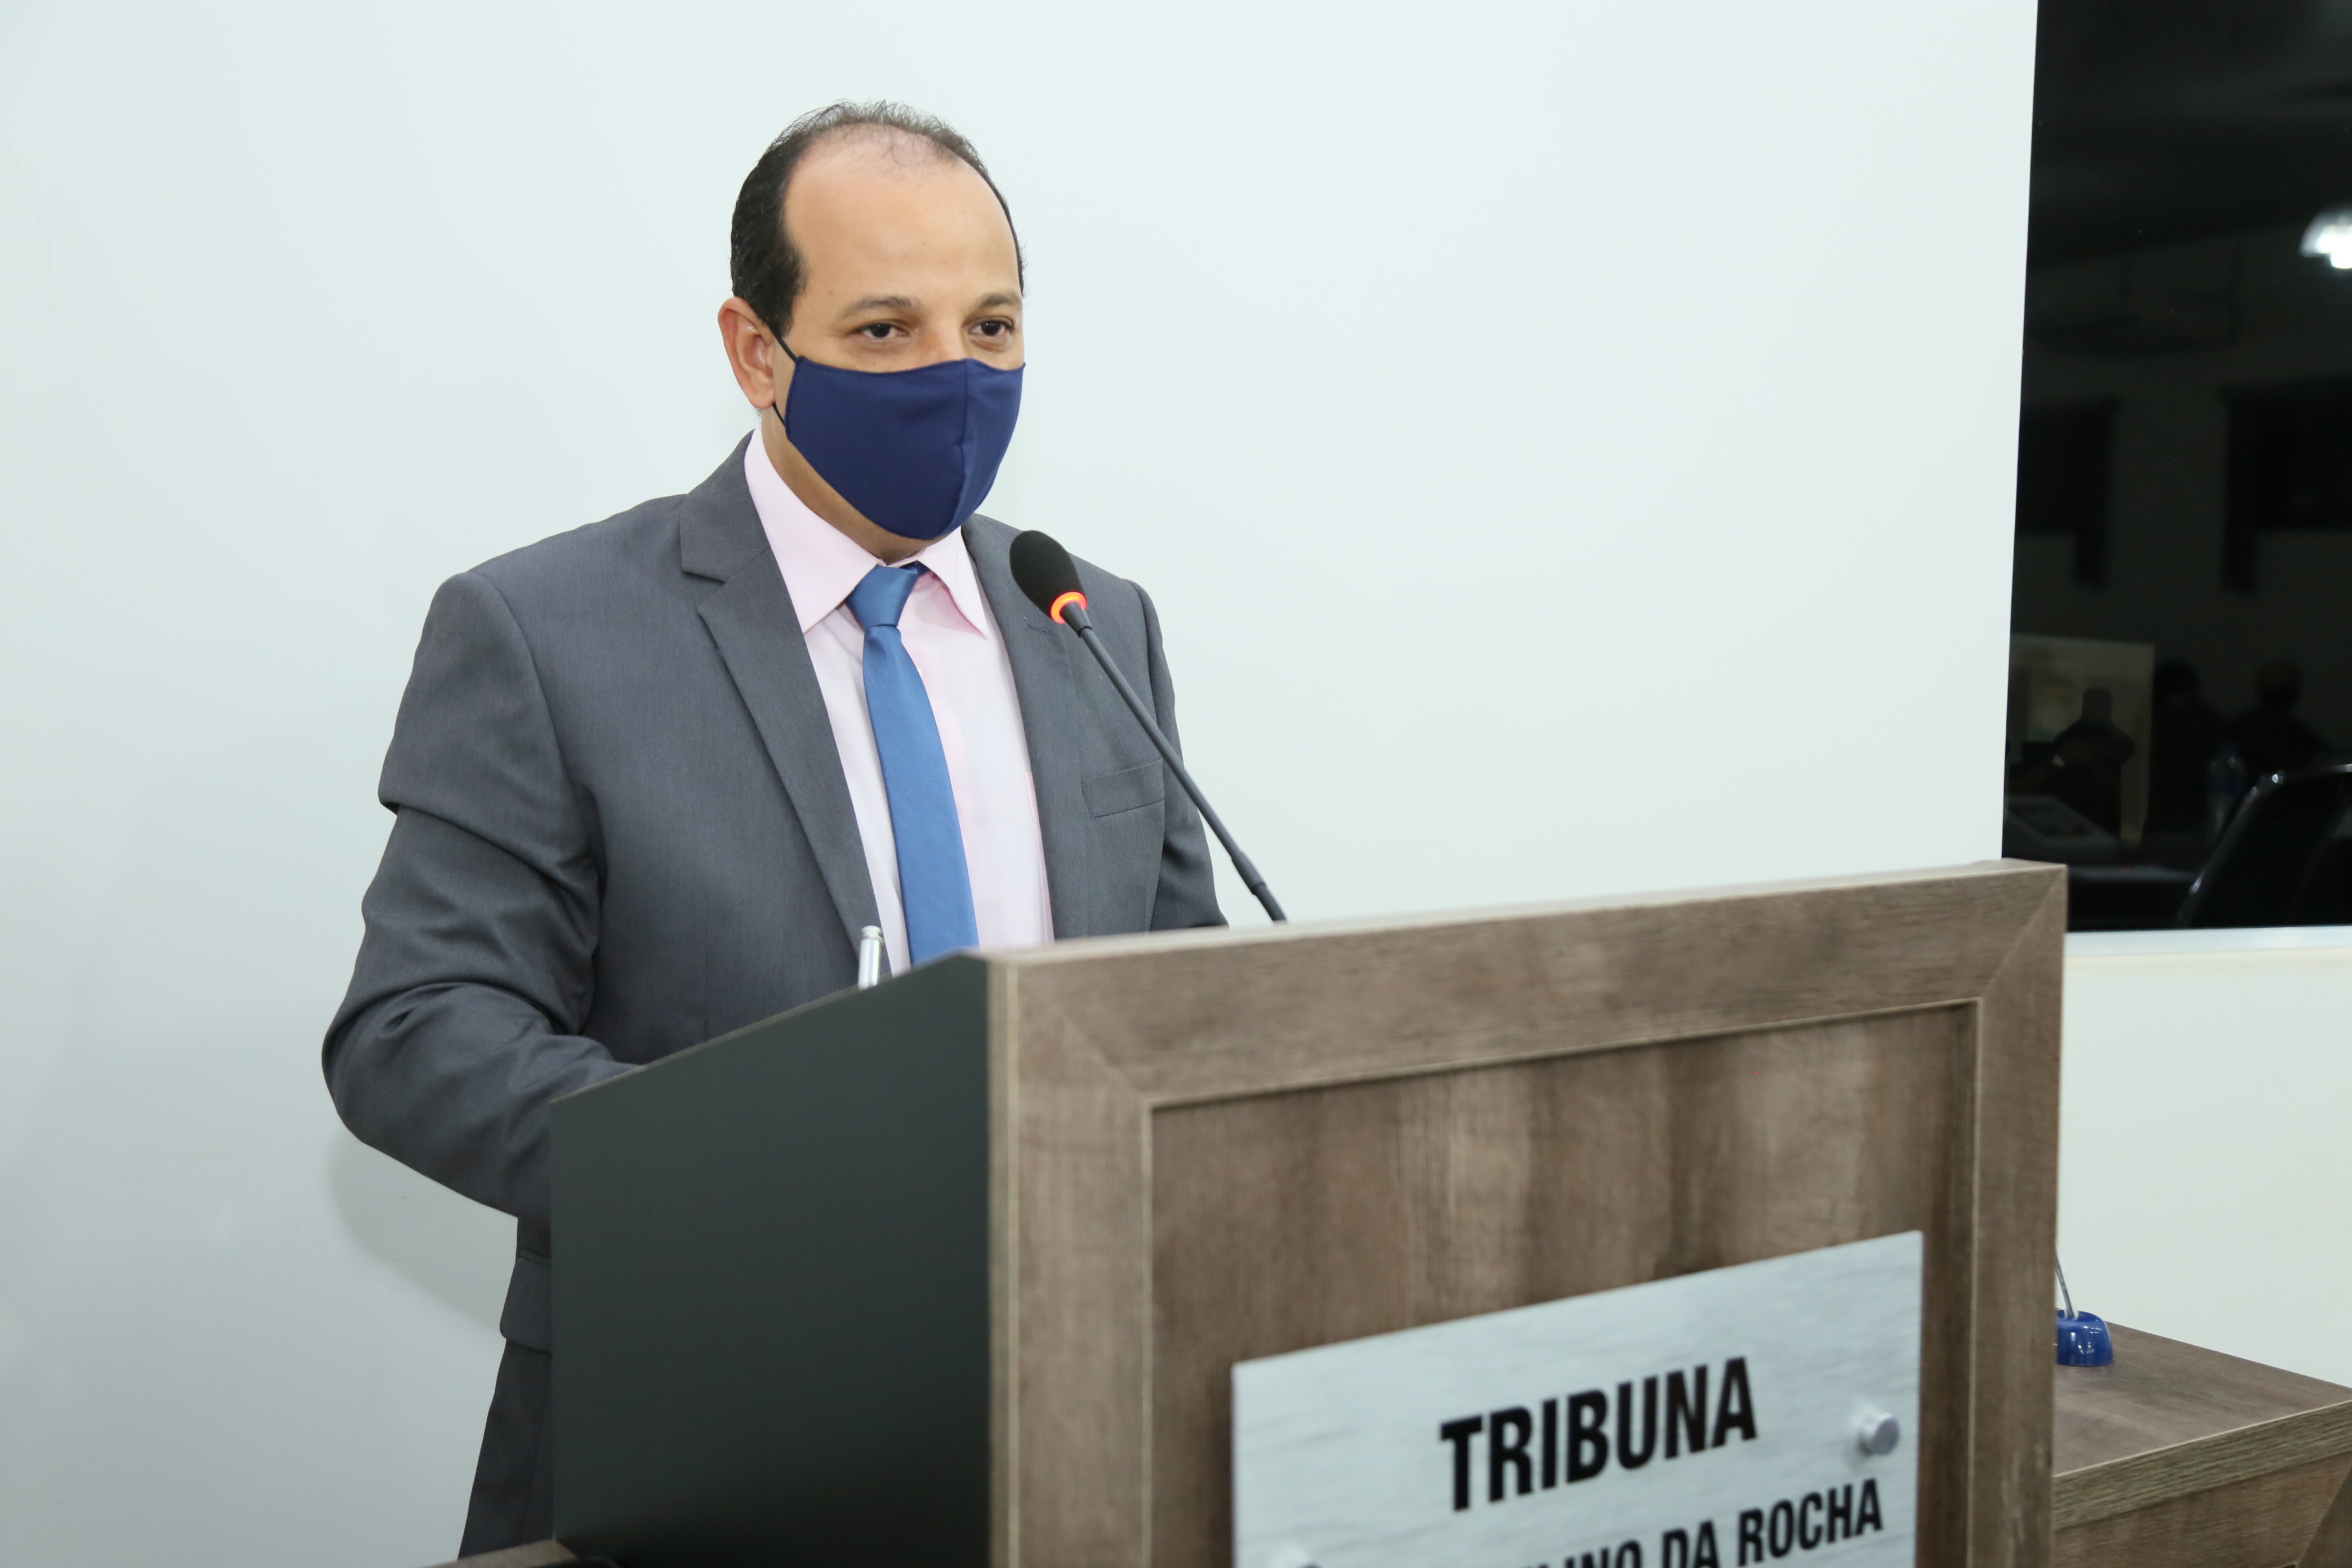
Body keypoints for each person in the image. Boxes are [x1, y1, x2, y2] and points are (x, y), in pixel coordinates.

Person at [322, 102, 1223, 1554]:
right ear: (756, 353)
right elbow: (414, 1031)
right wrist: (763, 1170)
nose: (952, 374)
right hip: (696, 1431)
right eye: (884, 330)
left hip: (1077, 1410)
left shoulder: (1090, 620)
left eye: (990, 328)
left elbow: (1187, 1003)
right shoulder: (546, 633)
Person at [2146, 658, 2225, 834]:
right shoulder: (2151, 721)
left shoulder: (2207, 720)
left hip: (2194, 809)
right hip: (2163, 811)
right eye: (2175, 690)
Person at [2228, 658, 2332, 779]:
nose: (2279, 687)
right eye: (2274, 682)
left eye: (2284, 683)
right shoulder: (2236, 732)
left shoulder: (2305, 742)